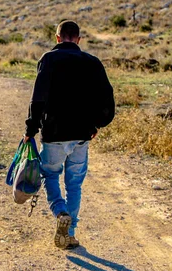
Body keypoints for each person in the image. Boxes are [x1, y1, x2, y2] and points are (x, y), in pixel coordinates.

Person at [24, 20, 115, 249]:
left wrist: (31, 130)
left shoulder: (48, 59)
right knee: (74, 185)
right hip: (82, 135)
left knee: (50, 175)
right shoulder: (92, 63)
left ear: (57, 38)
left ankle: (60, 212)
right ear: (78, 39)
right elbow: (107, 98)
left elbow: (38, 99)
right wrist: (96, 125)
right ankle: (70, 232)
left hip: (54, 134)